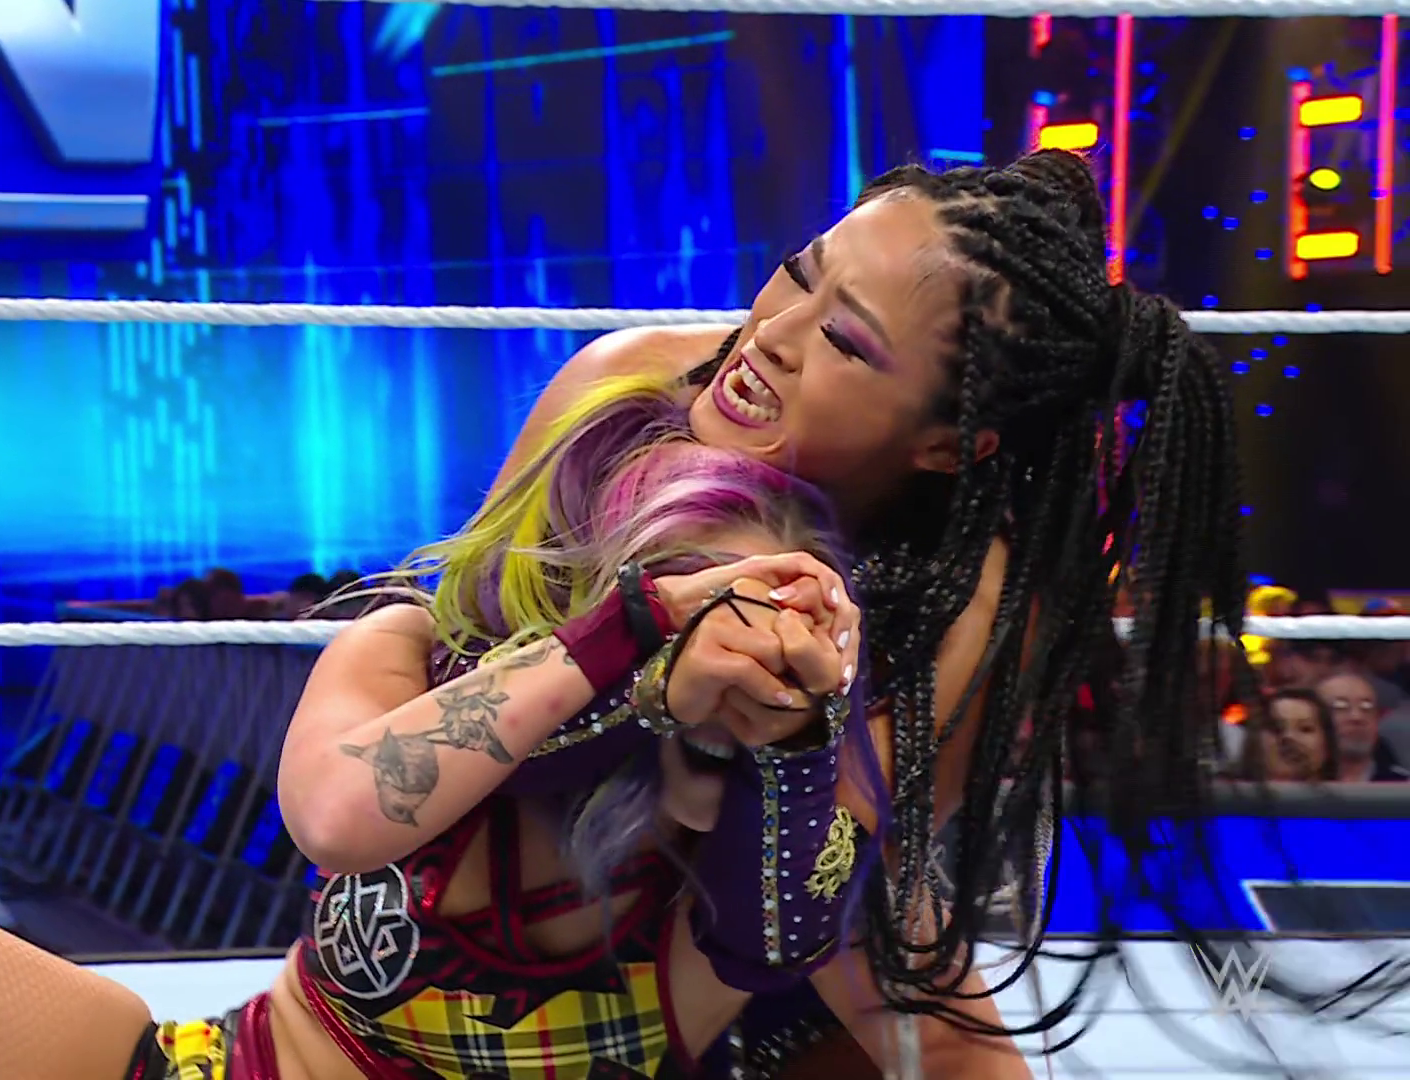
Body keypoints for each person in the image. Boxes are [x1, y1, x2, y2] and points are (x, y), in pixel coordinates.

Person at [0, 384, 938, 1078]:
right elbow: (336, 817)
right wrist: (627, 644)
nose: (727, 649)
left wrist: (792, 728)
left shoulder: (761, 830)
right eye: (686, 595)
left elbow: (785, 945)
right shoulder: (416, 654)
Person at [457, 149, 1258, 1065]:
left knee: (944, 1039)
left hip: (754, 921)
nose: (773, 334)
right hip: (511, 838)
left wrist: (787, 726)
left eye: (844, 339)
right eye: (801, 272)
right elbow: (463, 645)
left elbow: (805, 900)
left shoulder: (968, 605)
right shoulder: (630, 382)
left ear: (948, 445)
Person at [1233, 689, 1337, 783]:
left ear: (1327, 744)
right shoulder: (1227, 795)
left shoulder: (1344, 797)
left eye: (1305, 729)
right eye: (1276, 729)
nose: (1288, 737)